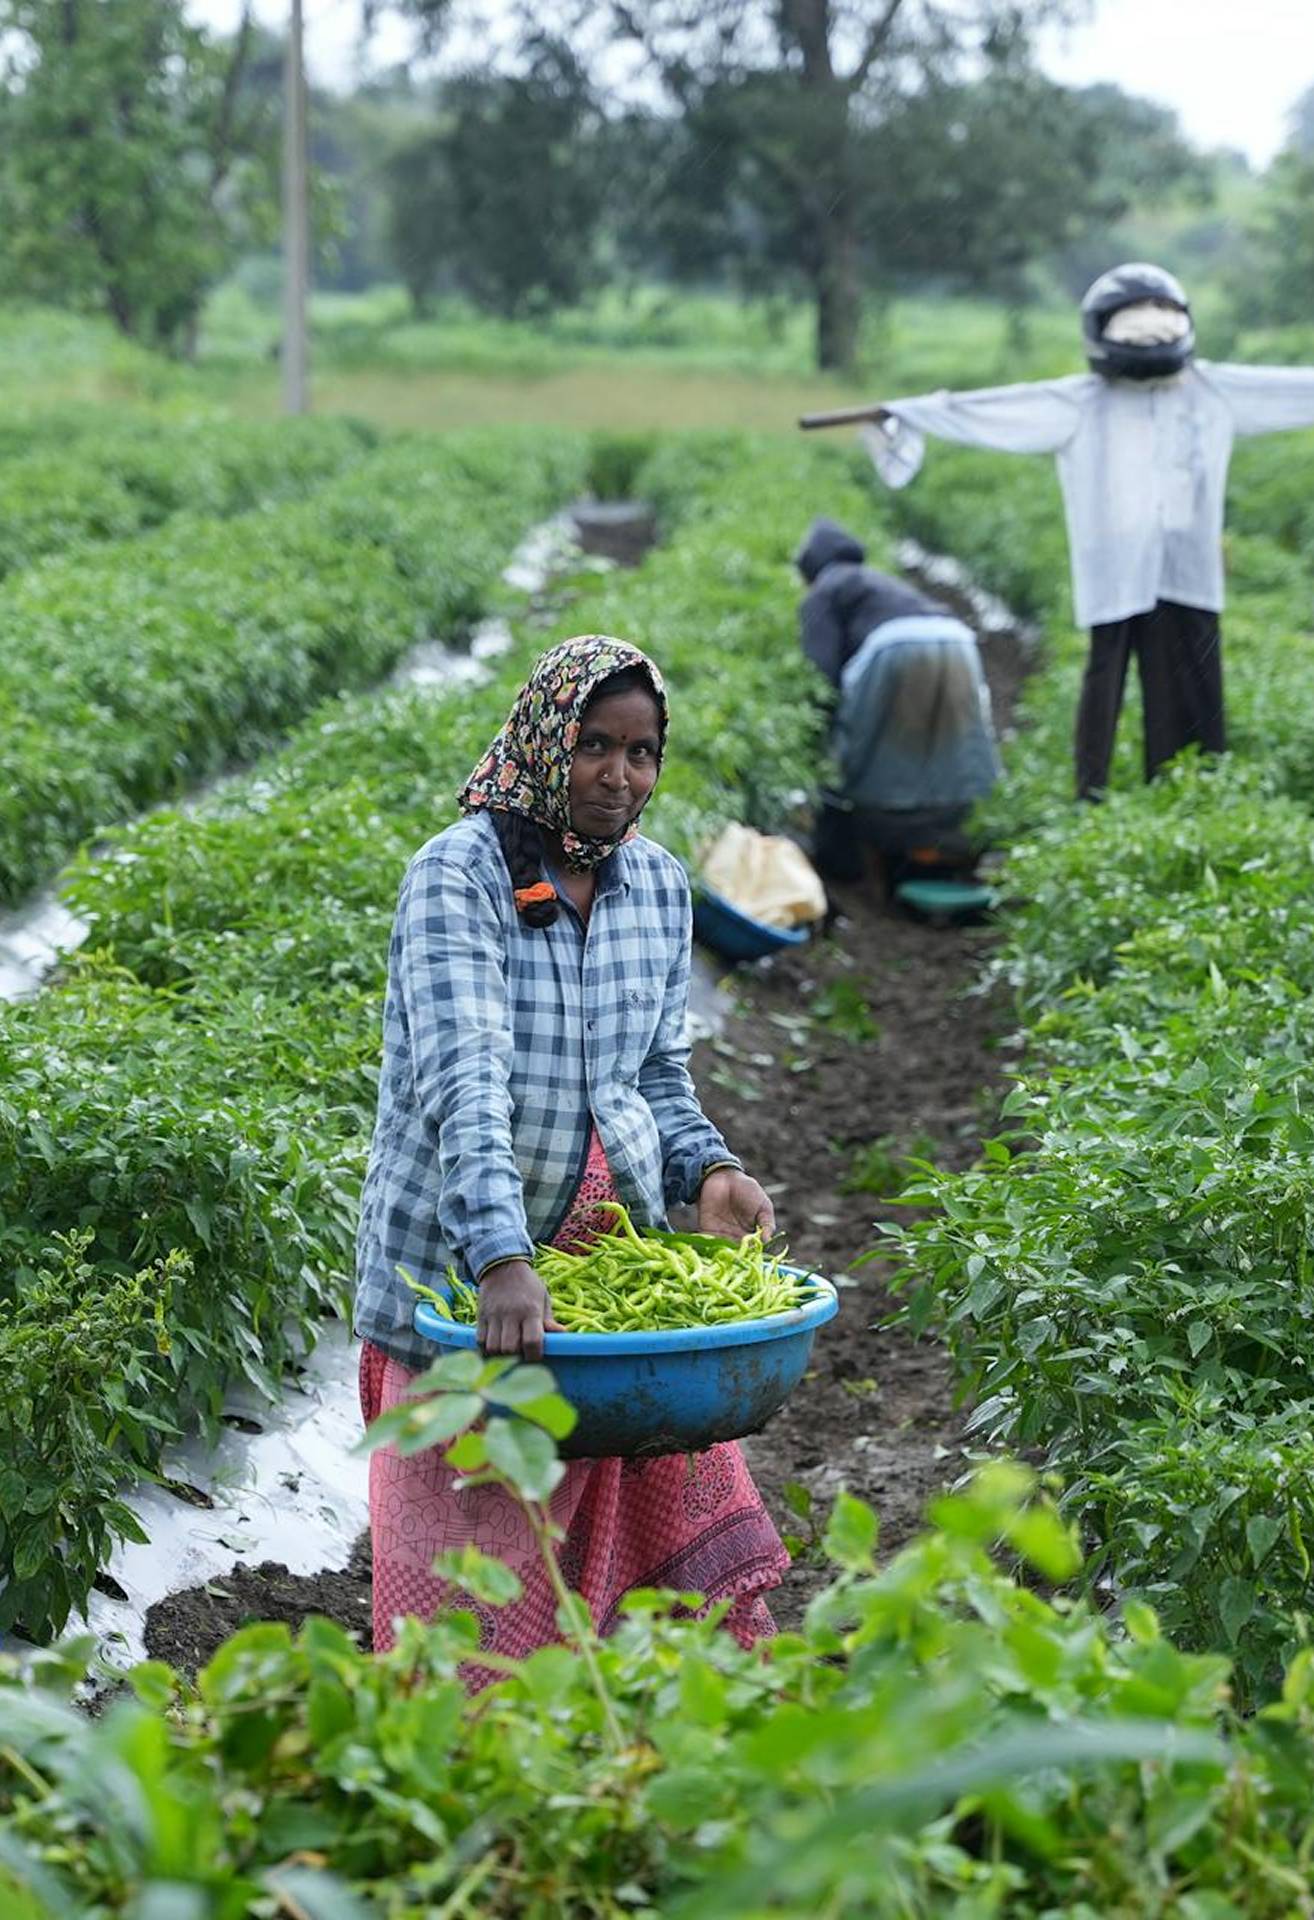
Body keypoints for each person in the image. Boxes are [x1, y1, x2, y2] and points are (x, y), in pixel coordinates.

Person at [354, 634, 788, 1671]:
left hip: (599, 1268)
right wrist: (502, 1260)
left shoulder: (657, 889)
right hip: (460, 1281)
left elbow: (654, 1077)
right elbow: (465, 1081)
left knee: (657, 1578)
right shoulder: (458, 877)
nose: (619, 776)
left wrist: (709, 1171)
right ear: (548, 738)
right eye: (596, 745)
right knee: (476, 1608)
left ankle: (631, 1756)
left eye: (642, 754)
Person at [803, 262, 1314, 798]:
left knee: (1186, 677)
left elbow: (1294, 390)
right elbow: (991, 410)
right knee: (1120, 676)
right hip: (1116, 564)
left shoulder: (1213, 390)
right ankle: (1111, 794)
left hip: (1184, 561)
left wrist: (911, 411)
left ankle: (1185, 788)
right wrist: (914, 413)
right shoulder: (1083, 401)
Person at [795, 516, 999, 883]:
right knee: (955, 739)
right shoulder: (881, 582)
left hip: (892, 649)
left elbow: (820, 670)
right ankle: (959, 822)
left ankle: (886, 833)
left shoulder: (823, 590)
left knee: (873, 744)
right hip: (957, 642)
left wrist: (821, 745)